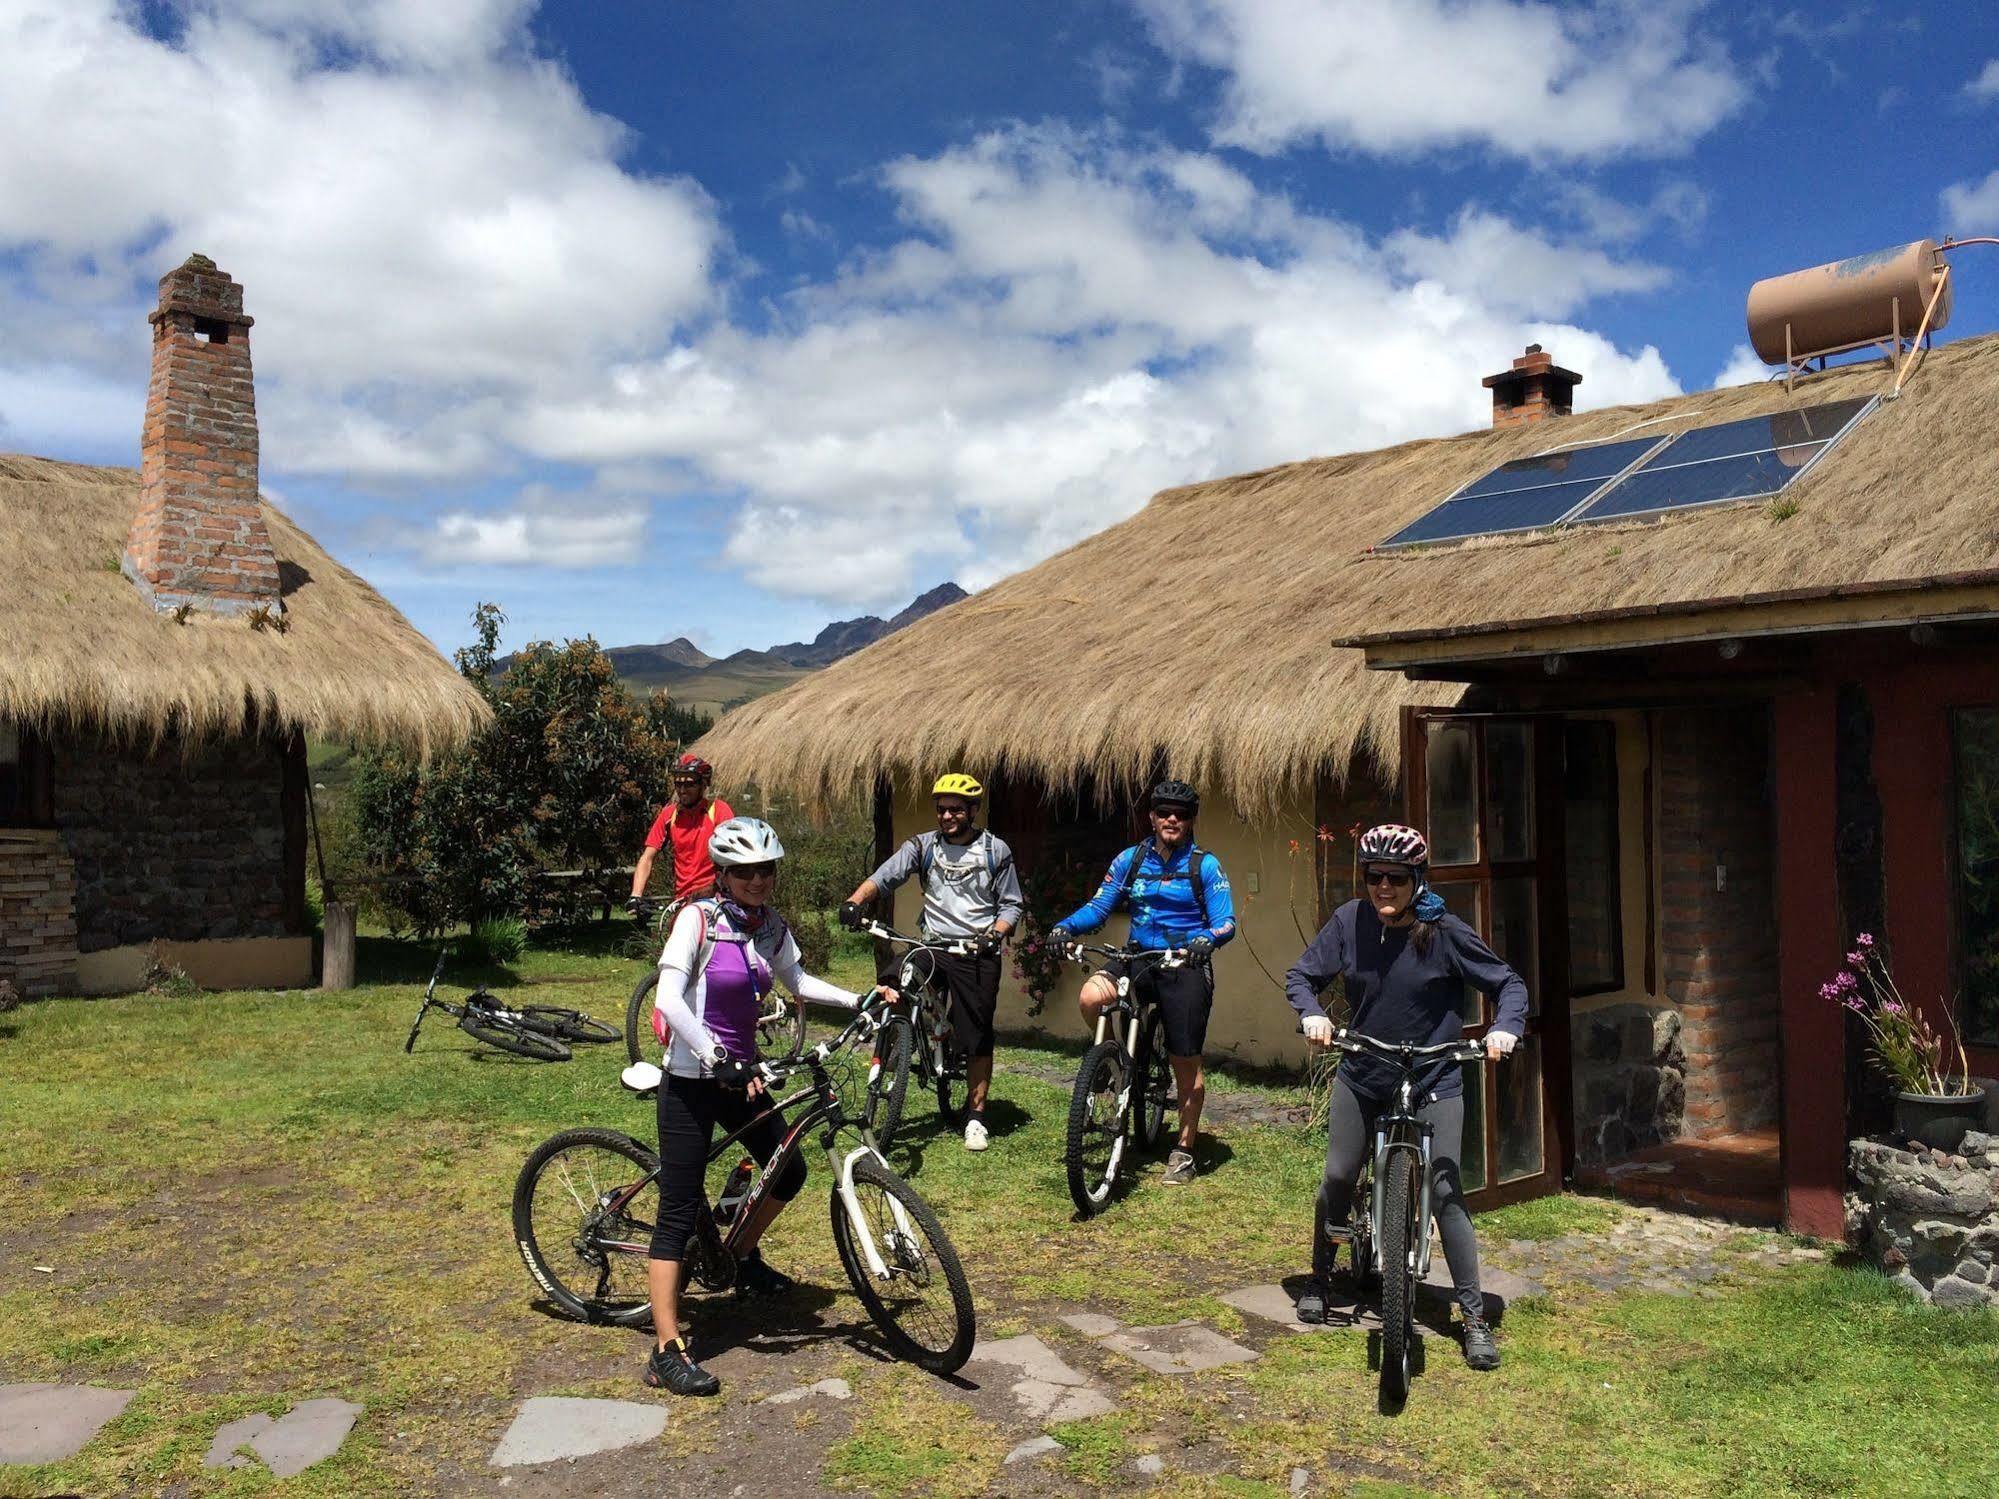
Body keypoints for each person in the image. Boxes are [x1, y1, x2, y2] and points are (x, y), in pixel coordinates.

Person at [642, 816, 878, 1397]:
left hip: (742, 1078)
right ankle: (666, 1350)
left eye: (765, 869)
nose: (757, 879)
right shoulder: (696, 920)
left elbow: (796, 978)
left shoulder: (769, 926)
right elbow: (669, 998)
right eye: (744, 870)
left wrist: (857, 1000)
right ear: (722, 873)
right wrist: (713, 1052)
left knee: (788, 1167)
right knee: (676, 1215)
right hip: (693, 1079)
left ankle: (739, 1257)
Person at [1283, 823, 1526, 1371]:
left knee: (1444, 1188)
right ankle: (1322, 1278)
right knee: (1340, 1174)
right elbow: (1301, 977)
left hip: (1435, 1072)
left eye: (1396, 877)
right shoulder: (1349, 922)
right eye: (1374, 875)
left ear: (1417, 879)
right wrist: (1313, 1012)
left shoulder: (1446, 931)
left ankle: (1474, 1318)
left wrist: (1504, 1028)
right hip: (1365, 1070)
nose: (1383, 887)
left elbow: (1507, 984)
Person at [1047, 779, 1235, 1186]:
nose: (1172, 819)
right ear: (1151, 817)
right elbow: (1100, 907)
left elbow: (1226, 921)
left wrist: (1208, 939)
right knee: (1091, 997)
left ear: (1190, 821)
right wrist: (1064, 927)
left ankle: (1183, 1150)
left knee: (1184, 1060)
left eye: (1180, 815)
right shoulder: (1130, 860)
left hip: (1184, 963)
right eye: (1164, 812)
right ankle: (1112, 1063)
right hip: (1137, 957)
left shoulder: (1205, 865)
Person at [838, 772, 1024, 1151]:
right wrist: (855, 901)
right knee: (894, 980)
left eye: (957, 809)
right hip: (934, 946)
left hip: (976, 951)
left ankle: (975, 1117)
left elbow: (1012, 904)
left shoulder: (995, 850)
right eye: (942, 810)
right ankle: (898, 1042)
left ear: (972, 810)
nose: (948, 816)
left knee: (975, 1033)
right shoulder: (922, 846)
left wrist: (995, 933)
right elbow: (885, 876)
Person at [629, 753, 733, 915]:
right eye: (678, 784)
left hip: (715, 898)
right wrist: (636, 895)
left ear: (703, 784)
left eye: (689, 784)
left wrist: (716, 887)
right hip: (682, 901)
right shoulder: (669, 815)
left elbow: (733, 857)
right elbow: (647, 857)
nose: (682, 790)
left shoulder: (718, 810)